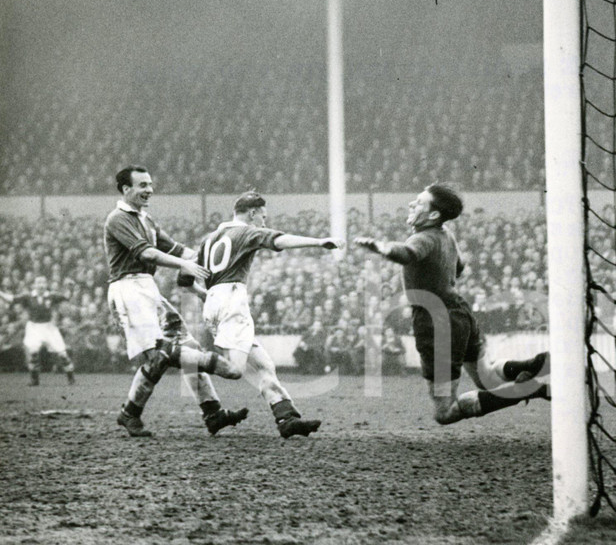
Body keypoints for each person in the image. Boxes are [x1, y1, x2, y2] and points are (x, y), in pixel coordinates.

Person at [354, 183, 548, 425]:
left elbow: (407, 253)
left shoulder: (424, 238)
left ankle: (527, 389)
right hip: (460, 313)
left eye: (419, 202)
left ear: (434, 215)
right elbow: (459, 267)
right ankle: (536, 364)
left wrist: (384, 248)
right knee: (487, 377)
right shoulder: (446, 235)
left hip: (437, 324)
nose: (411, 204)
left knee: (444, 412)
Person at [178, 191, 339, 438]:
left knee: (264, 364)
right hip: (232, 300)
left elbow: (184, 279)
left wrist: (205, 295)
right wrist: (318, 242)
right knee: (234, 369)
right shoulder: (245, 232)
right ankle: (179, 356)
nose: (264, 221)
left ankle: (286, 418)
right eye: (263, 215)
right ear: (252, 212)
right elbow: (280, 241)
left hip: (214, 301)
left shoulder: (210, 238)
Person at [104, 165, 248, 438]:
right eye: (143, 185)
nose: (149, 189)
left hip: (147, 289)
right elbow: (146, 253)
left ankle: (213, 412)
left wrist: (213, 258)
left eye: (150, 184)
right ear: (126, 189)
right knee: (160, 354)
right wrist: (185, 265)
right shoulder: (117, 218)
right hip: (128, 289)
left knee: (182, 345)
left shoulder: (146, 219)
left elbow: (176, 249)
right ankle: (130, 413)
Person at [0, 275, 75, 385]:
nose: (41, 285)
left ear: (46, 285)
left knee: (62, 353)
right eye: (38, 283)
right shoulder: (28, 296)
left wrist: (70, 288)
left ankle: (71, 378)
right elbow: (11, 299)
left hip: (49, 327)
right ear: (34, 285)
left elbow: (67, 297)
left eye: (43, 283)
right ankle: (35, 379)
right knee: (33, 352)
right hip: (34, 327)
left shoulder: (51, 296)